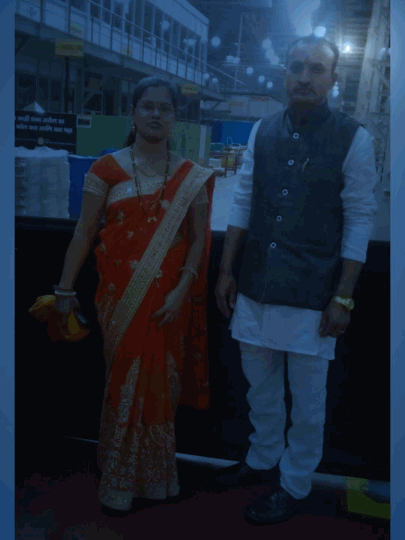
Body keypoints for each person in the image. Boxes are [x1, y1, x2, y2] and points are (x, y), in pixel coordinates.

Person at [214, 34, 378, 525]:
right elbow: (242, 201)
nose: (305, 77)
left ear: (333, 79)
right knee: (259, 390)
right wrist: (225, 270)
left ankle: (294, 483)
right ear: (284, 75)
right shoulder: (261, 131)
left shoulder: (354, 138)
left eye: (316, 69)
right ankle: (262, 457)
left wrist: (344, 297)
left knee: (307, 404)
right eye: (296, 67)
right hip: (254, 285)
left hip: (313, 292)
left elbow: (361, 218)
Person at [53, 77, 215, 516]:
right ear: (133, 112)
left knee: (160, 386)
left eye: (165, 108)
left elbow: (198, 242)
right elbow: (84, 232)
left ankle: (156, 476)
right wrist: (64, 288)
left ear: (176, 117)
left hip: (168, 303)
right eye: (148, 106)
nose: (156, 115)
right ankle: (118, 475)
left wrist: (181, 291)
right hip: (119, 299)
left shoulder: (190, 176)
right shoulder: (105, 169)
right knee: (122, 380)